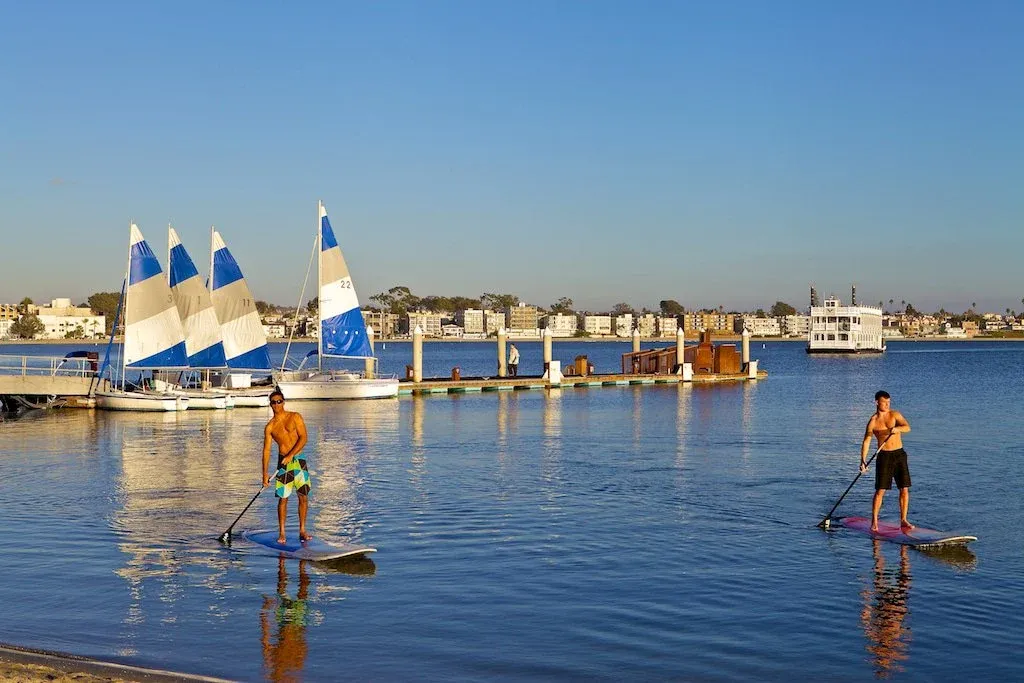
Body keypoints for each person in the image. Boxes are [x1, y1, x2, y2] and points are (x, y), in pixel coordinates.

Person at [860, 390, 913, 533]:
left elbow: (907, 427)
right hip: (884, 457)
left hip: (899, 454)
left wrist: (898, 429)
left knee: (904, 488)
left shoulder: (895, 415)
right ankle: (874, 521)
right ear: (877, 402)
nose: (888, 404)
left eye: (889, 402)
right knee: (880, 491)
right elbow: (866, 441)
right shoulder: (873, 422)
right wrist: (863, 461)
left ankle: (903, 520)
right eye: (885, 402)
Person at [262, 390, 311, 543]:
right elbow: (267, 450)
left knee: (303, 496)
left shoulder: (295, 416)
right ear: (270, 405)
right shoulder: (270, 427)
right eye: (273, 402)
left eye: (279, 401)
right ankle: (282, 533)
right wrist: (264, 473)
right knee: (283, 499)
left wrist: (291, 455)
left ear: (283, 402)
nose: (277, 405)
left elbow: (304, 438)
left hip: (298, 461)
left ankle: (302, 530)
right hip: (283, 464)